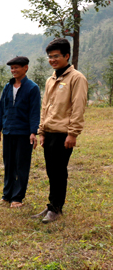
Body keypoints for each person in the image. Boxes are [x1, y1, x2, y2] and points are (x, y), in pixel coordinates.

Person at [33, 38, 88, 223]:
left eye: (56, 56)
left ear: (67, 55)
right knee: (51, 171)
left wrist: (73, 133)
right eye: (50, 56)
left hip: (64, 134)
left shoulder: (76, 78)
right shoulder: (51, 80)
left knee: (59, 171)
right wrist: (42, 131)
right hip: (49, 133)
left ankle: (56, 208)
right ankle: (51, 205)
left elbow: (78, 107)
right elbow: (45, 107)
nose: (52, 60)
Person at [0, 56, 40, 208]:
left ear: (25, 68)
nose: (13, 70)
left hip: (24, 133)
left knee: (21, 165)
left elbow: (34, 112)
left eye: (16, 67)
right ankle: (6, 196)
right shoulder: (8, 87)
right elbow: (2, 108)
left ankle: (17, 198)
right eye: (12, 68)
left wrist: (33, 132)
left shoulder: (32, 88)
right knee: (9, 164)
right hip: (9, 131)